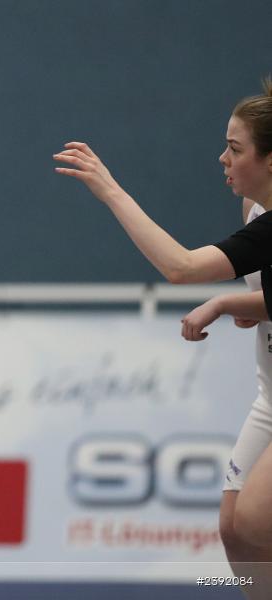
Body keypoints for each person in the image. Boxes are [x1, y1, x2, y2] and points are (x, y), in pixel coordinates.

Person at [56, 79, 272, 598]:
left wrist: (110, 189)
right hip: (270, 395)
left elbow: (182, 267)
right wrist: (236, 305)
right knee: (233, 531)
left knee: (259, 522)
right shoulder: (255, 210)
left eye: (235, 149)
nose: (222, 157)